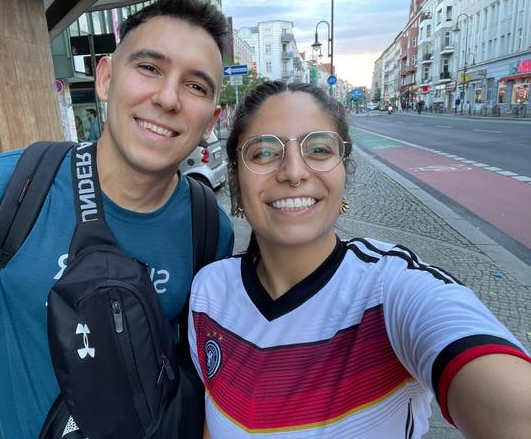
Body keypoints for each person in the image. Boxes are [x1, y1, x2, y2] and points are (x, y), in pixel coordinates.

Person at [0, 0, 234, 438]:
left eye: (196, 87)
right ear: (105, 78)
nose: (168, 98)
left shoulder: (210, 229)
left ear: (211, 119)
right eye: (149, 68)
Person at [188, 81, 531, 438]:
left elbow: (510, 406)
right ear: (236, 179)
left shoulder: (390, 291)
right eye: (263, 153)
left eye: (318, 149)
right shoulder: (209, 292)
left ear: (344, 169)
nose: (293, 172)